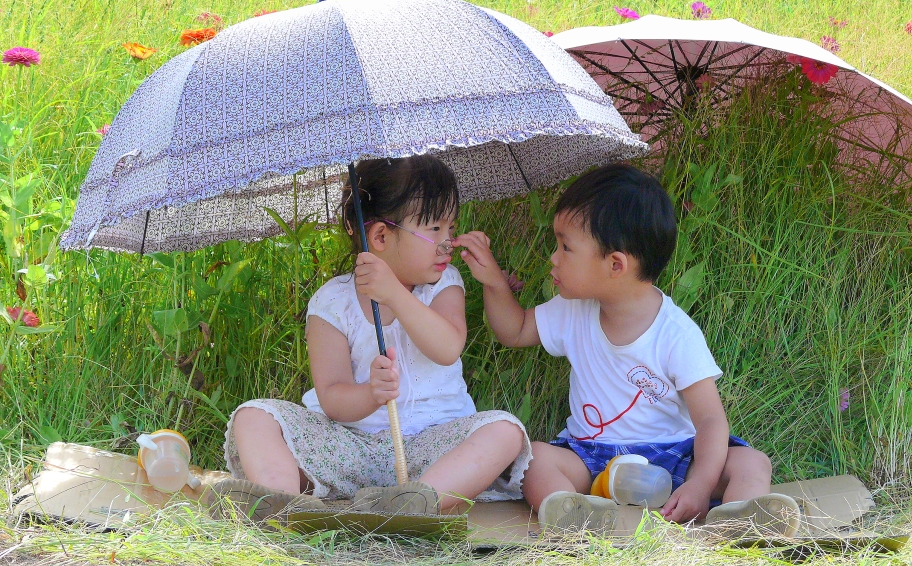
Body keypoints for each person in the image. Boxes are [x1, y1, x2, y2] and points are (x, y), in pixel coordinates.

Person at [455, 163, 802, 538]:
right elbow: (516, 329)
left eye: (566, 247)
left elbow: (711, 422)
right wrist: (492, 281)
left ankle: (741, 523)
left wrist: (700, 486)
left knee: (751, 461)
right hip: (592, 459)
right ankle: (573, 518)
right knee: (535, 459)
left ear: (616, 264)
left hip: (674, 459)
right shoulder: (573, 310)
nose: (554, 258)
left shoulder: (675, 334)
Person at [219, 155, 531, 520]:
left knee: (505, 431)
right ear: (381, 235)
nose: (448, 242)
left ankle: (418, 502)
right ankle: (283, 504)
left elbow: (447, 348)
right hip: (349, 448)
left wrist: (395, 295)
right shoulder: (332, 302)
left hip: (433, 446)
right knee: (254, 416)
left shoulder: (443, 285)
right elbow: (332, 397)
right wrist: (371, 394)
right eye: (434, 229)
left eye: (452, 228)